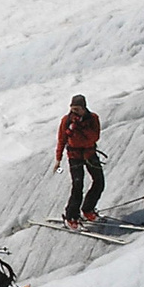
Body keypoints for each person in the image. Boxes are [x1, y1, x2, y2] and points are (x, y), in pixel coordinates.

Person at [53, 94, 103, 227]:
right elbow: (62, 140)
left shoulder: (93, 119)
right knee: (77, 185)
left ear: (83, 108)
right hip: (74, 156)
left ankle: (87, 209)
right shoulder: (66, 121)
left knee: (99, 182)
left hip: (89, 154)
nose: (74, 111)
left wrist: (82, 127)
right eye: (72, 108)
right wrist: (58, 159)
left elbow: (95, 137)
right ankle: (71, 215)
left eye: (77, 109)